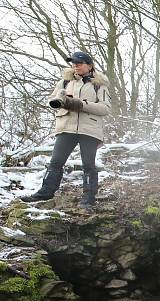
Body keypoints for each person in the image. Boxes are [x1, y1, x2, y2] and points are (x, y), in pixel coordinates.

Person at [21, 51, 111, 208]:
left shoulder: (98, 85)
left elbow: (105, 109)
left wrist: (80, 104)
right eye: (73, 63)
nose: (75, 66)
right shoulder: (64, 82)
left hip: (89, 129)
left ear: (89, 65)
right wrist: (60, 101)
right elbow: (51, 100)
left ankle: (88, 198)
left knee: (88, 165)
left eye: (79, 63)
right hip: (66, 127)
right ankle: (45, 193)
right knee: (55, 162)